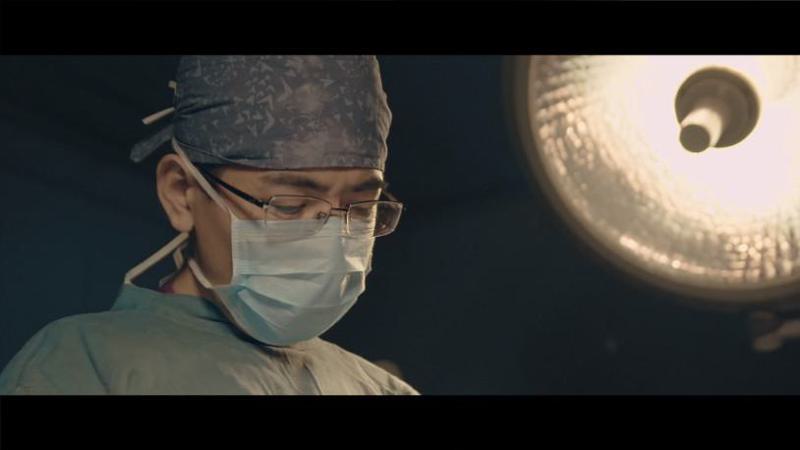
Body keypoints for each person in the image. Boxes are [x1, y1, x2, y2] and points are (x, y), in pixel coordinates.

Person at [0, 55, 419, 395]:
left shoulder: (382, 389)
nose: (331, 239)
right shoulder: (84, 365)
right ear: (182, 193)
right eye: (290, 205)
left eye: (361, 208)